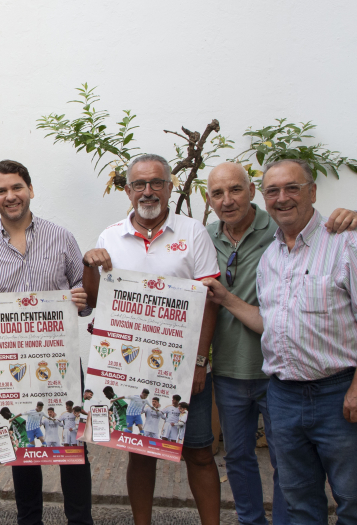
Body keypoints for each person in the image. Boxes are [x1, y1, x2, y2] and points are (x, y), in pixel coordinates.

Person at [202, 159, 357, 524]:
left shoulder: (346, 241)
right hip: (284, 396)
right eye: (273, 190)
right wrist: (227, 299)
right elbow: (270, 323)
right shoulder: (272, 256)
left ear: (312, 191)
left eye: (291, 188)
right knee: (299, 503)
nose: (282, 198)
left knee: (352, 502)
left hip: (337, 395)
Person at [82, 154, 222, 525]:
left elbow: (211, 300)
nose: (148, 191)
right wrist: (88, 265)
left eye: (156, 183)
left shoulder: (193, 233)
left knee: (200, 452)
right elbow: (95, 300)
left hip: (183, 365)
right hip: (130, 366)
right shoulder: (110, 236)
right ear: (127, 191)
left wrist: (199, 361)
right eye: (139, 185)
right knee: (139, 451)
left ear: (170, 186)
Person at [0, 159, 94, 525]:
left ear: (30, 190)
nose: (10, 196)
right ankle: (29, 520)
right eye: (1, 190)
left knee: (73, 445)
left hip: (61, 363)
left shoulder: (62, 237)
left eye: (17, 187)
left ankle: (80, 520)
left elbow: (83, 293)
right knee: (22, 447)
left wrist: (82, 296)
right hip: (11, 367)